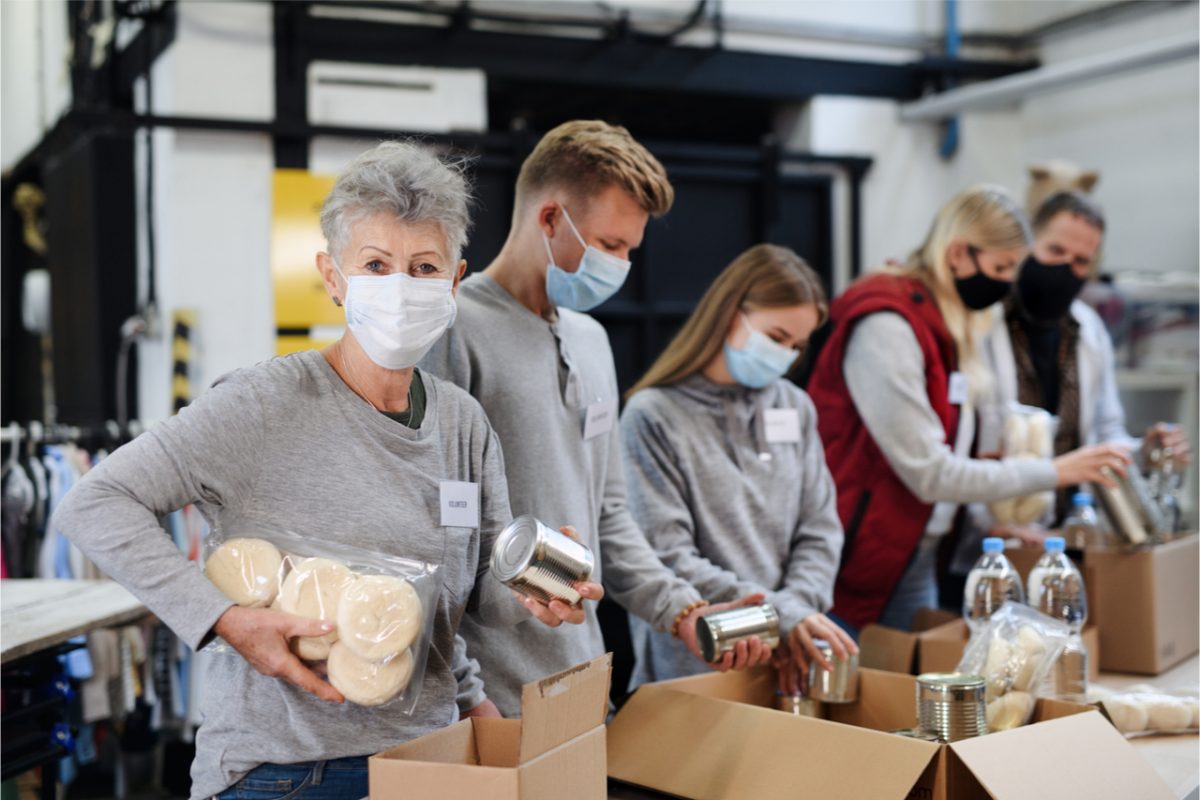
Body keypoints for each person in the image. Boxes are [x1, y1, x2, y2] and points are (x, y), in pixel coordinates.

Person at [51, 141, 599, 800]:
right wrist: (223, 618)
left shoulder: (463, 423)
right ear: (332, 276)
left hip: (423, 760)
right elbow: (95, 504)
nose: (400, 287)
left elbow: (476, 601)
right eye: (375, 264)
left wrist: (532, 591)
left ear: (454, 282)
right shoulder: (261, 404)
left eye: (423, 268)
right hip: (285, 773)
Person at [420, 120, 769, 717]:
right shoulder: (454, 330)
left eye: (630, 250)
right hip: (487, 698)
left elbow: (607, 514)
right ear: (550, 218)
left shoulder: (592, 342)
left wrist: (682, 610)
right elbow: (432, 533)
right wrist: (465, 694)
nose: (622, 265)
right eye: (610, 246)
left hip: (579, 680)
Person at [803, 185, 1131, 635]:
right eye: (1000, 269)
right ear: (957, 254)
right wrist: (1056, 471)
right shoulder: (889, 326)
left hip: (915, 548)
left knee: (912, 687)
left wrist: (992, 508)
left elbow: (955, 450)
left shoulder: (944, 324)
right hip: (855, 552)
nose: (1003, 286)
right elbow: (930, 472)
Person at [620, 244, 857, 694]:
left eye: (796, 345)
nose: (785, 354)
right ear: (731, 314)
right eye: (776, 336)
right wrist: (782, 615)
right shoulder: (653, 415)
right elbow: (666, 554)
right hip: (697, 667)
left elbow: (820, 529)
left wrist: (795, 616)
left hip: (790, 655)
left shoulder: (794, 405)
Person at [983, 191, 1190, 492]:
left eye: (1081, 261)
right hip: (993, 518)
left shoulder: (1089, 329)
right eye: (1055, 250)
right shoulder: (985, 323)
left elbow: (1107, 434)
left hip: (1067, 521)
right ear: (1028, 245)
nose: (1066, 267)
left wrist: (1145, 451)